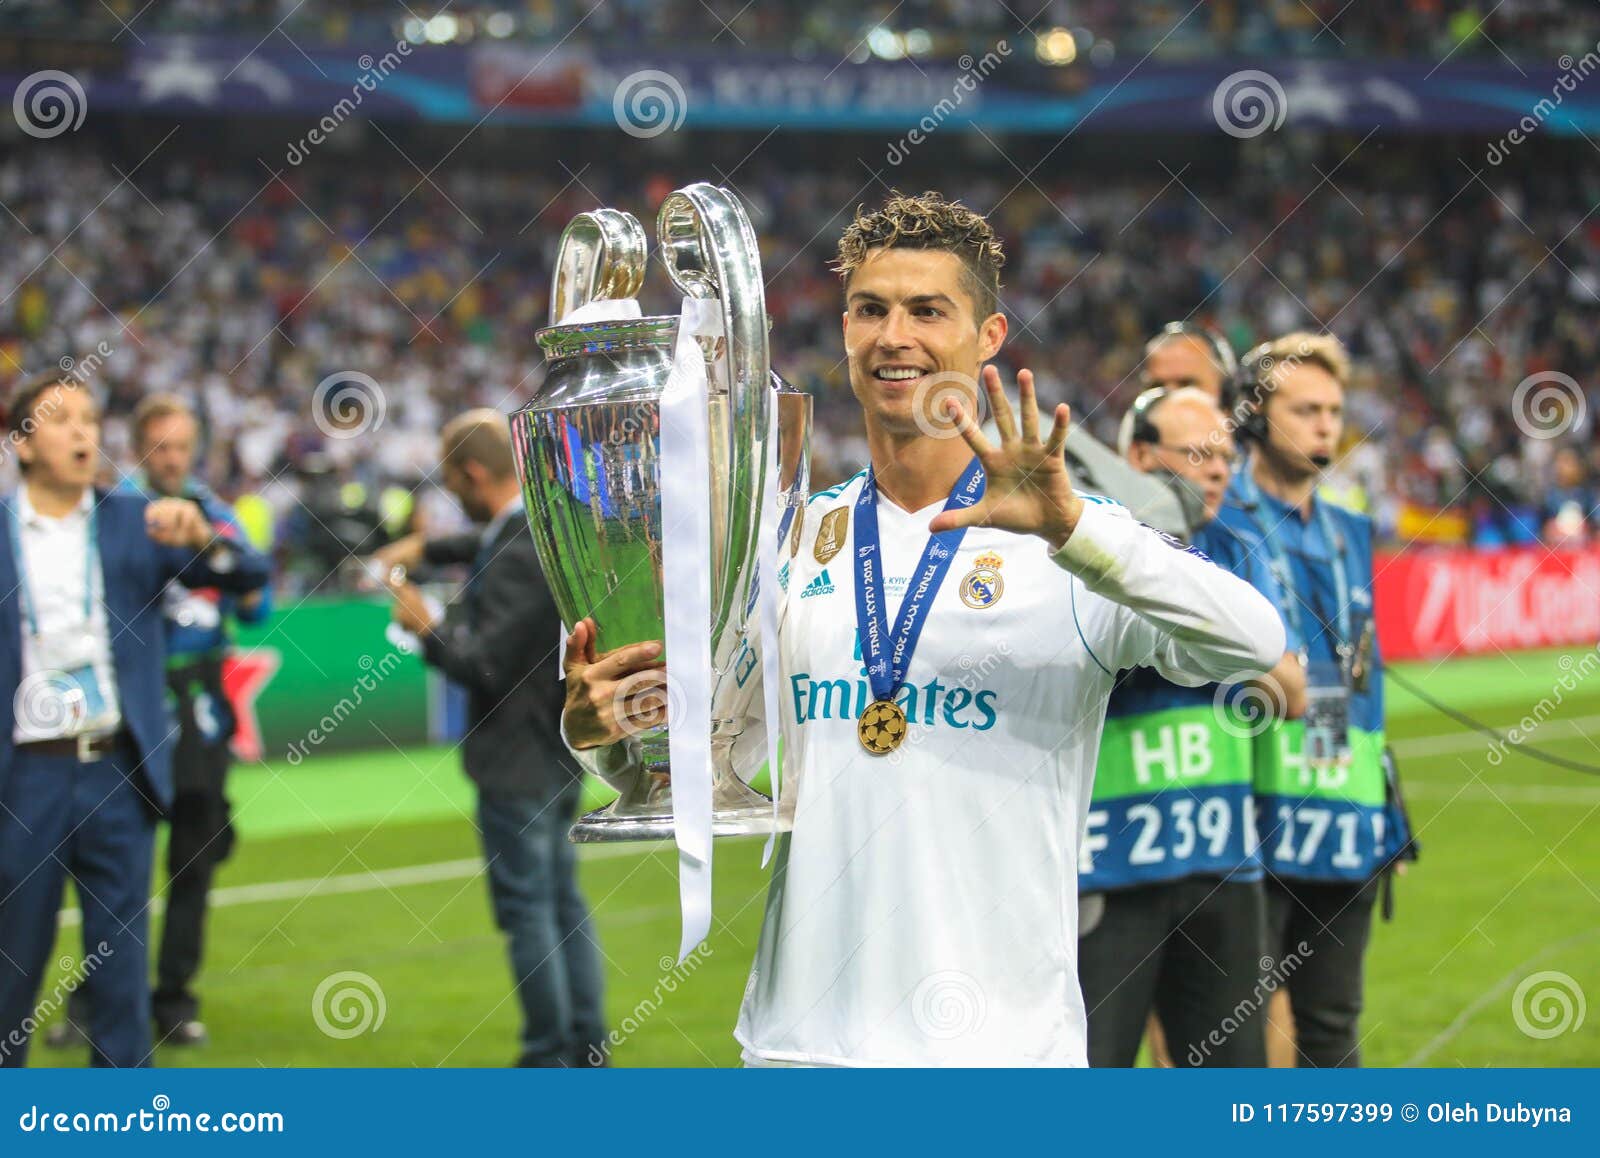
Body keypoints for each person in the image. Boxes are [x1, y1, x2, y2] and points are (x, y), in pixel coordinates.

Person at [562, 192, 1285, 1066]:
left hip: (1002, 1057)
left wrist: (1074, 531)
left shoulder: (1072, 546)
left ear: (988, 337)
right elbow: (726, 761)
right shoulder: (789, 541)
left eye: (927, 311)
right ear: (844, 331)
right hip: (801, 1051)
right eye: (870, 310)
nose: (892, 335)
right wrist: (605, 738)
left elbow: (1251, 640)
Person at [0, 372, 270, 1068]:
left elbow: (247, 577)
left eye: (91, 418)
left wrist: (205, 534)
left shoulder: (138, 519)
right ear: (22, 445)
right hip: (26, 776)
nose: (83, 431)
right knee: (11, 974)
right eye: (61, 420)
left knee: (120, 985)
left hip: (120, 772)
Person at [1078, 385, 1304, 1067]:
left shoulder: (1236, 541)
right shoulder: (1091, 542)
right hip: (1105, 867)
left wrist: (1179, 641)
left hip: (1221, 862)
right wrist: (1221, 648)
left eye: (1228, 457)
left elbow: (1290, 687)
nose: (1217, 470)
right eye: (1198, 454)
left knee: (1231, 1084)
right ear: (1138, 457)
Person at [374, 409, 606, 1068]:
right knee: (563, 905)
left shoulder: (514, 550)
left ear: (472, 474)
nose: (455, 497)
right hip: (556, 750)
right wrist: (425, 550)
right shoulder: (540, 530)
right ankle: (585, 1049)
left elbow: (482, 666)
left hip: (514, 761)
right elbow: (486, 543)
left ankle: (549, 1053)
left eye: (454, 484)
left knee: (529, 911)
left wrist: (425, 625)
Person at [1216, 332, 1411, 1067]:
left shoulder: (1349, 528)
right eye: (1306, 409)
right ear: (1257, 414)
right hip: (1245, 822)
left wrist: (1382, 804)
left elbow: (1359, 680)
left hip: (1342, 815)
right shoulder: (1218, 517)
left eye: (1333, 409)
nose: (1327, 424)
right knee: (1233, 1038)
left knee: (1332, 1032)